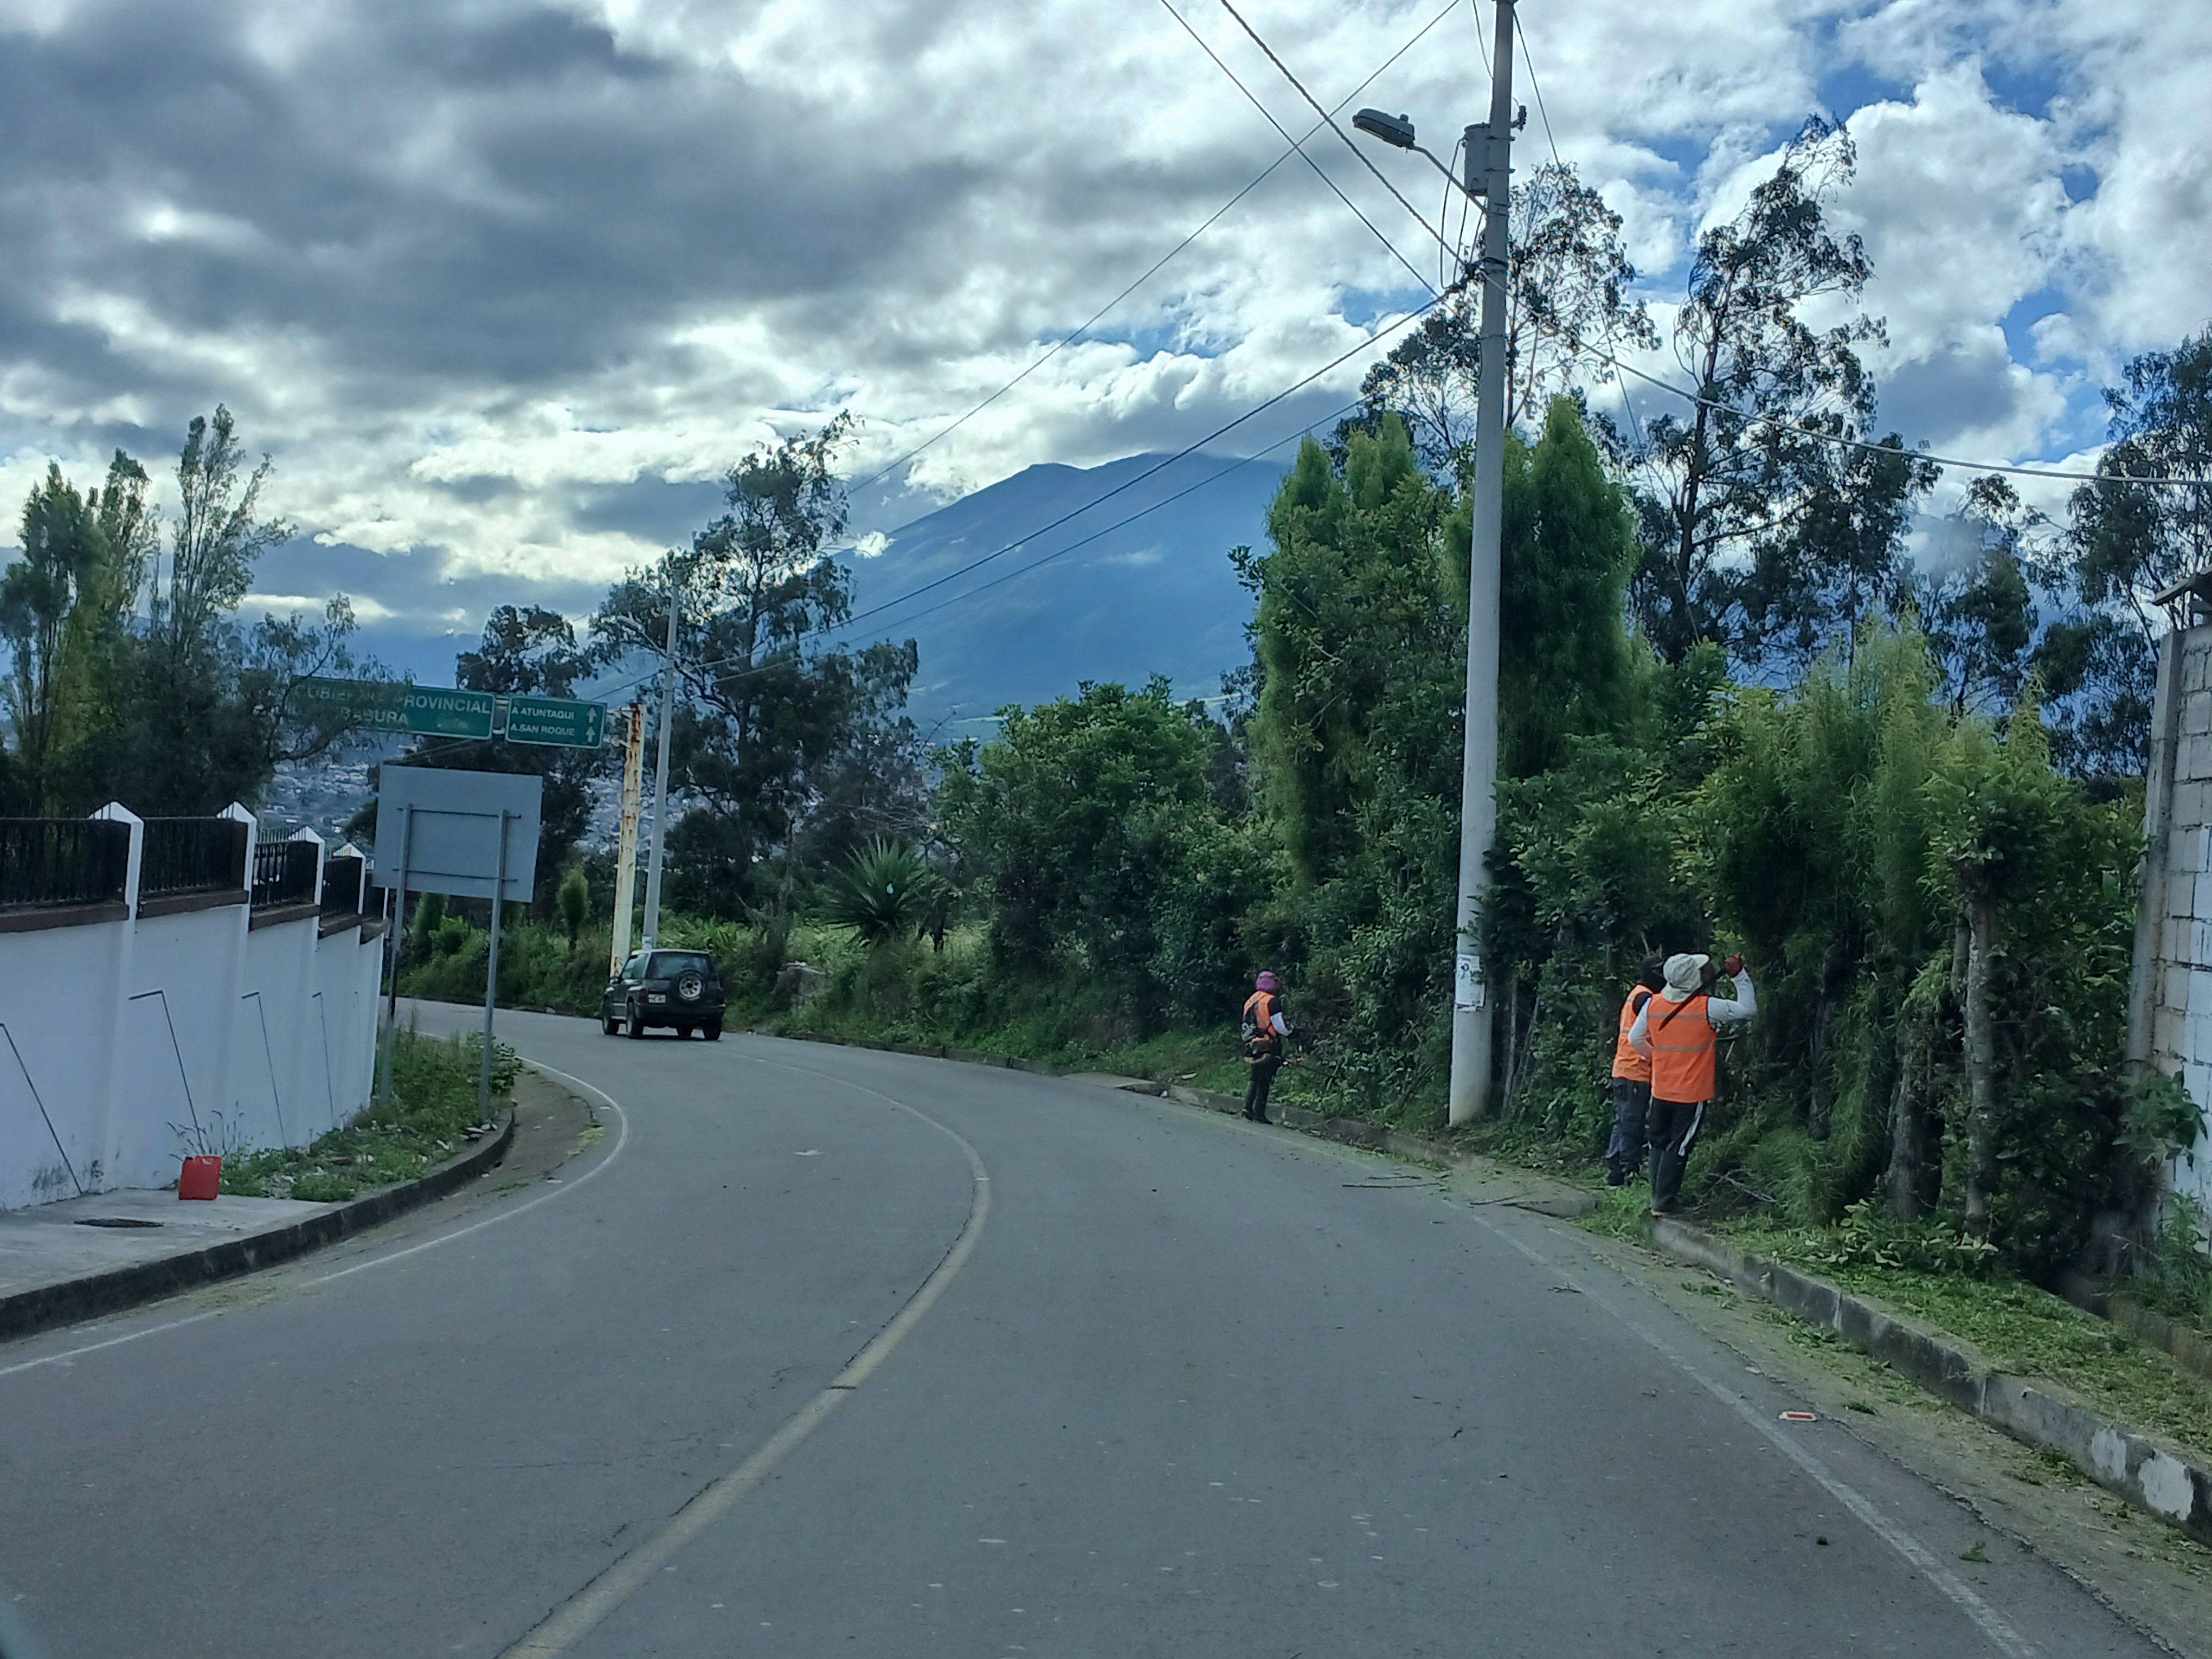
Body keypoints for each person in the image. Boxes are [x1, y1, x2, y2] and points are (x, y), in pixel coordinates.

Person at [1629, 951, 1756, 1217]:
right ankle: (1664, 1201)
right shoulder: (1706, 1007)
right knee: (1680, 1145)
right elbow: (1748, 1010)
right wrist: (1740, 977)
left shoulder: (1653, 1004)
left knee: (1658, 1142)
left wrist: (1656, 1057)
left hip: (1661, 1089)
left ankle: (1657, 1196)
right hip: (1691, 1093)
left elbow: (1635, 1039)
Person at [1603, 959, 1666, 1187]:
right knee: (1632, 1125)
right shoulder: (1644, 999)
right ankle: (1629, 1174)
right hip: (1635, 1071)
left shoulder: (1636, 994)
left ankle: (1616, 1173)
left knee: (1624, 1122)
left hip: (1624, 1070)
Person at [1241, 971, 1293, 1123]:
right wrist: (1293, 1032)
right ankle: (1259, 1114)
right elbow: (1280, 1026)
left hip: (1252, 1044)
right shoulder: (1272, 1001)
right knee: (1265, 1079)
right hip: (1268, 1044)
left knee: (1255, 1076)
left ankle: (1248, 1107)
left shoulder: (1251, 1000)